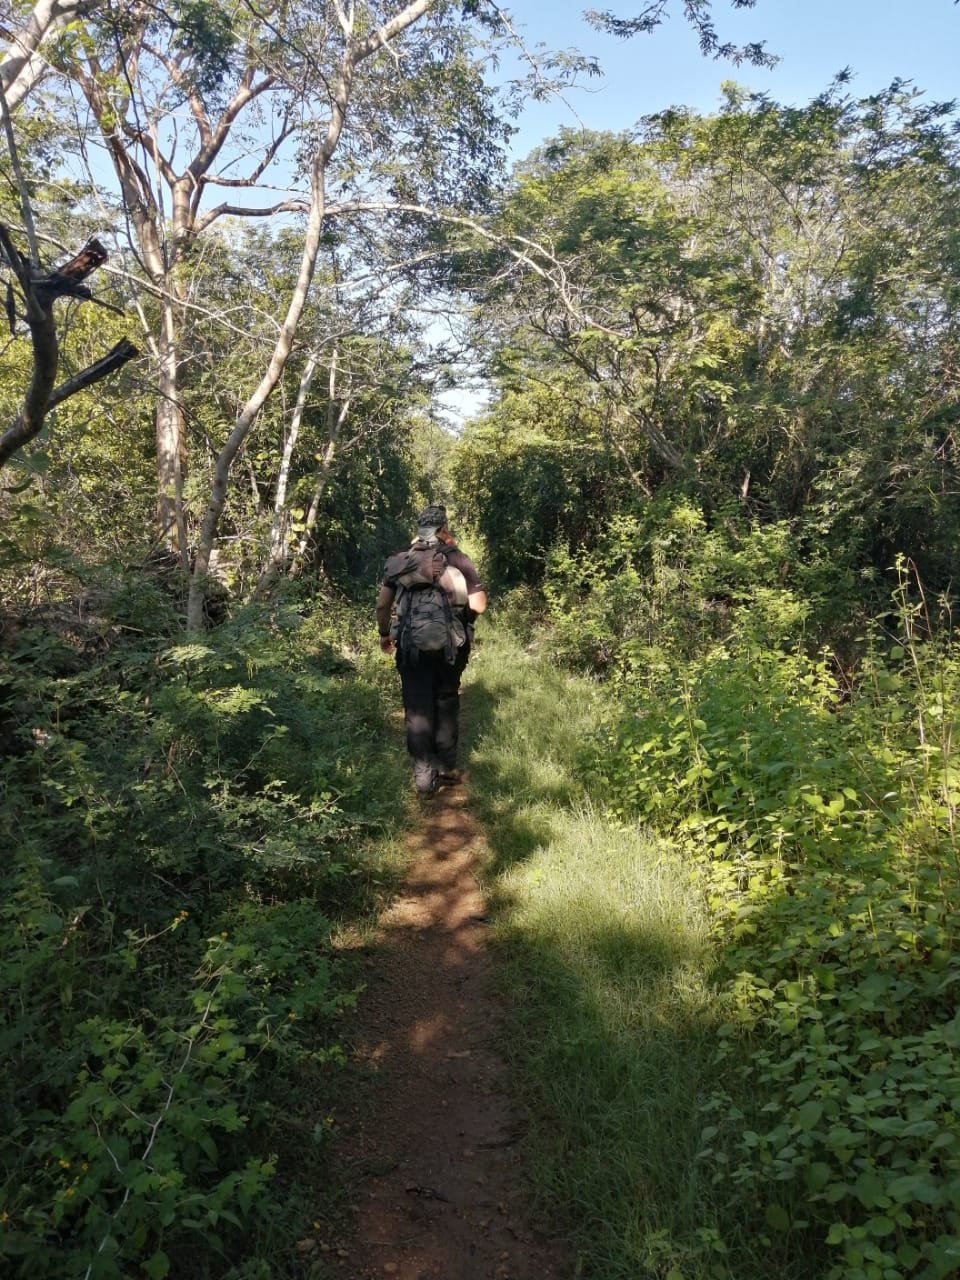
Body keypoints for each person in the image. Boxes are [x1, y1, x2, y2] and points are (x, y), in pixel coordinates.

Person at [376, 505, 487, 797]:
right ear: (443, 528)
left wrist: (385, 634)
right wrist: (464, 624)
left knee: (417, 705)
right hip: (452, 645)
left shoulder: (402, 560)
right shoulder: (458, 559)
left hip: (411, 646)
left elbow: (382, 605)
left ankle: (424, 778)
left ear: (419, 528)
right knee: (446, 698)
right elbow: (479, 604)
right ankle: (447, 766)